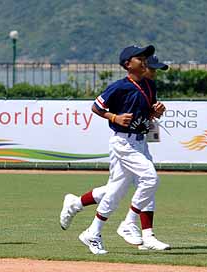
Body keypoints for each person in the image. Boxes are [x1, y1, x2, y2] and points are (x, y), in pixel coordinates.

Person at [60, 45, 168, 255]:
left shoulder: (148, 86)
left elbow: (147, 113)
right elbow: (96, 107)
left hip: (140, 141)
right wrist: (114, 117)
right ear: (128, 64)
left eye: (145, 57)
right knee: (150, 180)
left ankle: (92, 230)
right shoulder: (119, 87)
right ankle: (130, 224)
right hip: (123, 143)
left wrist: (156, 111)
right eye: (140, 57)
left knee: (115, 191)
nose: (144, 60)